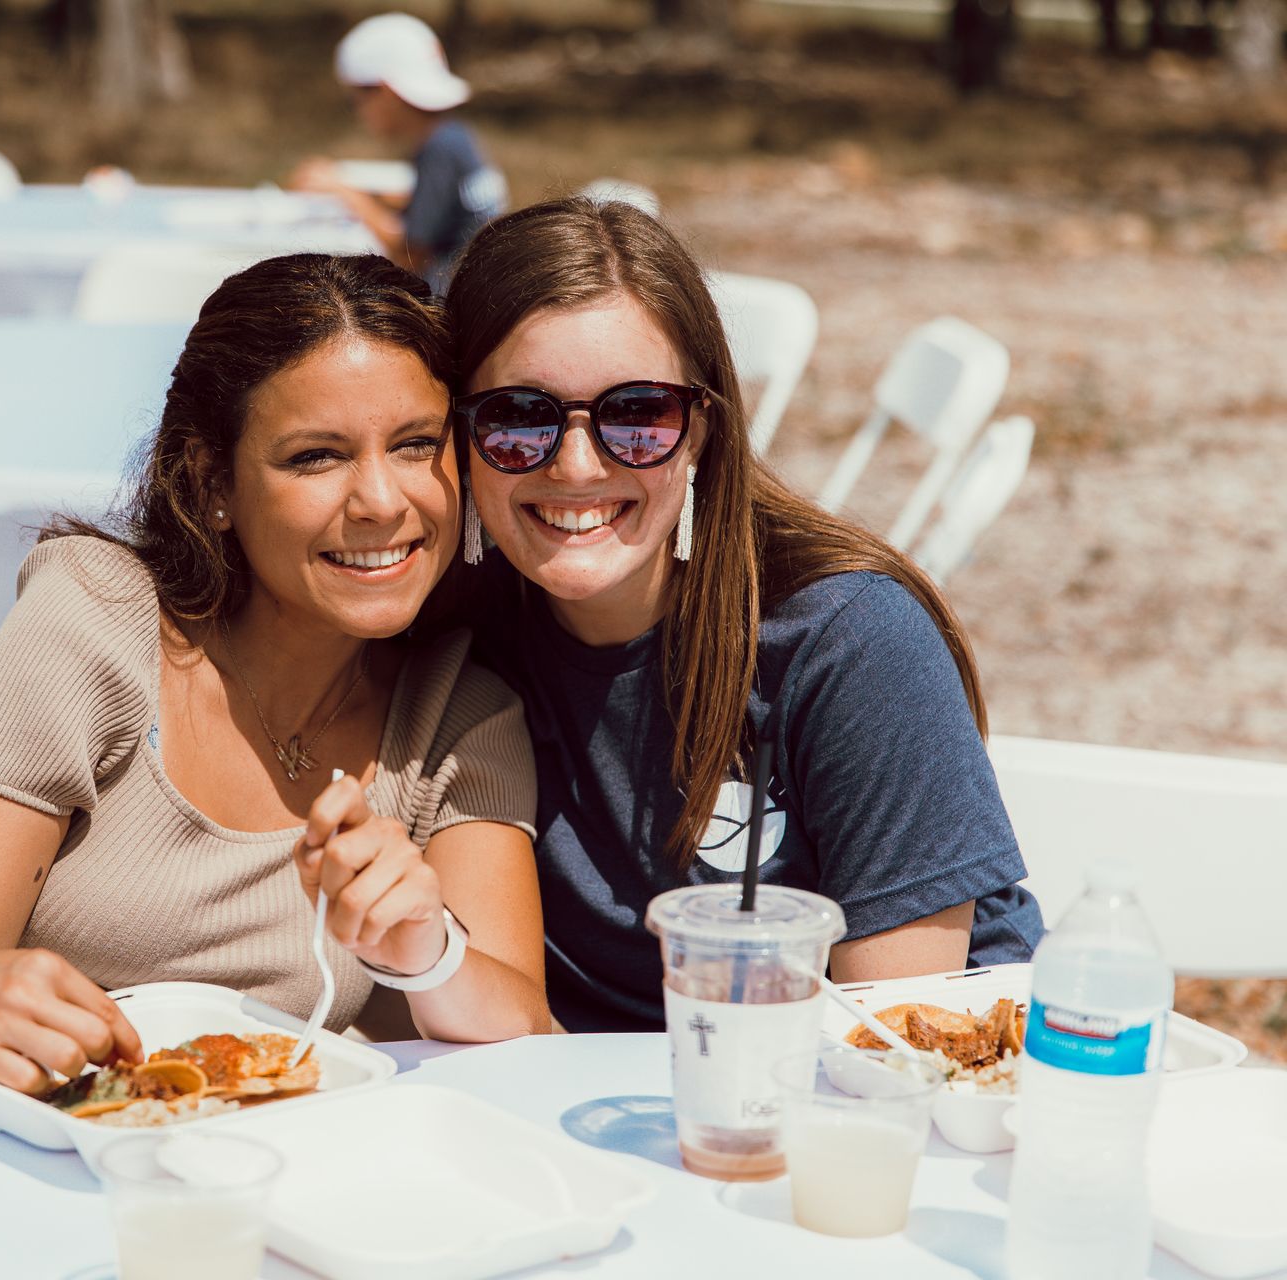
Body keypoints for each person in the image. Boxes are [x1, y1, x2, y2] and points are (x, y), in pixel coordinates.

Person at [0, 253, 551, 1094]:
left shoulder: (459, 716)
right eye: (317, 456)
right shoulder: (95, 626)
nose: (383, 501)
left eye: (417, 444)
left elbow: (525, 1039)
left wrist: (430, 947)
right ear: (213, 482)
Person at [442, 197, 1043, 1034]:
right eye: (518, 419)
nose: (577, 466)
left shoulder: (847, 641)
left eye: (637, 416)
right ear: (456, 434)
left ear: (701, 434)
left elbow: (899, 1044)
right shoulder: (448, 634)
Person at [289, 12, 508, 295]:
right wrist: (357, 189)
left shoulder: (437, 150)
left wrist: (346, 194)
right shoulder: (455, 136)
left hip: (448, 301)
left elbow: (408, 257)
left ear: (387, 92)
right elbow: (440, 206)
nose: (359, 112)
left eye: (357, 98)